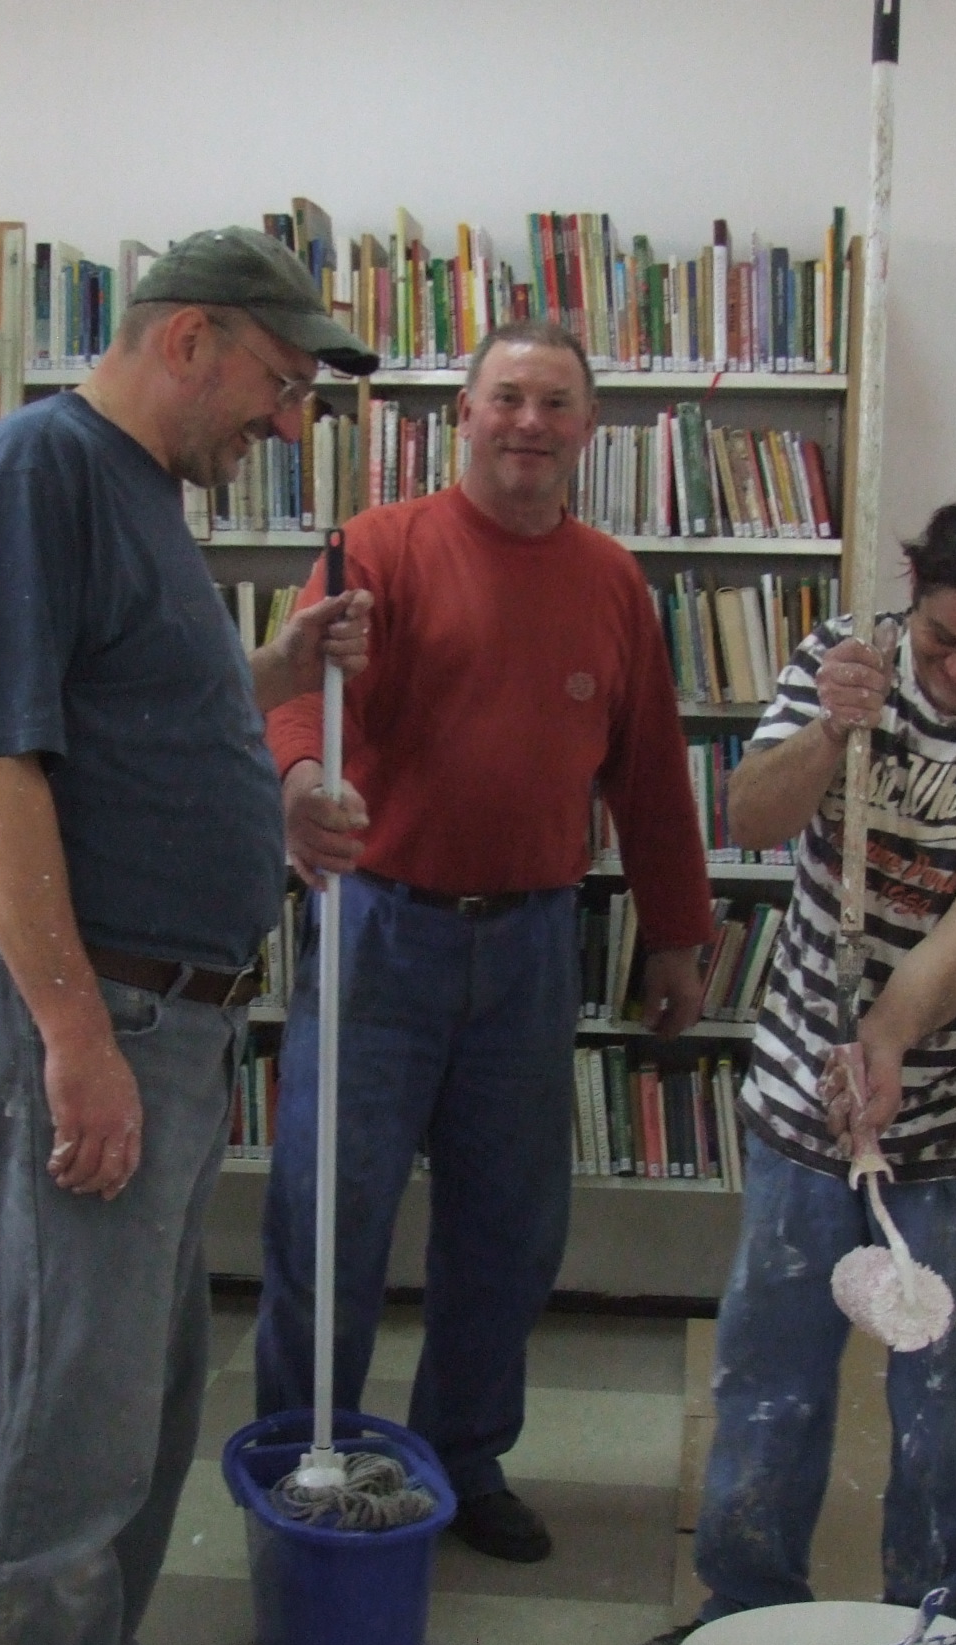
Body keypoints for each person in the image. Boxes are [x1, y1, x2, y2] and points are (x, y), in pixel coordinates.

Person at [0, 229, 377, 1645]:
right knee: (63, 1448)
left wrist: (269, 751)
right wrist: (73, 1035)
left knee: (145, 1415)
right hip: (95, 1017)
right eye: (279, 381)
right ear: (190, 339)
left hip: (165, 1024)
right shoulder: (39, 471)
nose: (287, 419)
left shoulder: (138, 500)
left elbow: (119, 721)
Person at [622, 489, 956, 1645]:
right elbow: (751, 816)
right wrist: (829, 736)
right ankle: (740, 1615)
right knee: (769, 1377)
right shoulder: (839, 660)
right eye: (945, 639)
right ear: (913, 594)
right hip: (804, 1097)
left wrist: (889, 1039)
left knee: (953, 1409)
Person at [252, 318, 714, 1563]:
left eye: (555, 403)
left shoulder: (611, 583)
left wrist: (677, 935)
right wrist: (300, 781)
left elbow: (652, 775)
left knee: (507, 1232)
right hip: (380, 931)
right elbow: (295, 696)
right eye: (507, 397)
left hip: (530, 947)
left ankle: (462, 1457)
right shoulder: (377, 549)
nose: (529, 423)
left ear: (589, 429)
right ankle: (304, 1458)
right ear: (462, 414)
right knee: (327, 1221)